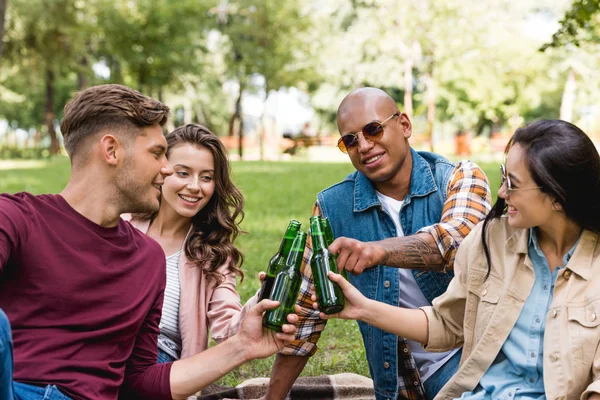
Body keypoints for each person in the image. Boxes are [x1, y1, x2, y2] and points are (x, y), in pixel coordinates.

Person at [0, 84, 298, 400]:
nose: (165, 168)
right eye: (157, 153)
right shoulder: (15, 218)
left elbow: (139, 383)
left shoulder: (147, 259)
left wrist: (243, 345)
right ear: (111, 150)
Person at [317, 119, 600, 399]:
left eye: (513, 184)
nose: (501, 192)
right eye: (503, 177)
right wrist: (364, 308)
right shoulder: (490, 240)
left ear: (557, 197)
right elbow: (447, 323)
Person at [265, 87, 492, 400]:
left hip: (476, 361)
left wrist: (378, 251)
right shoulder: (332, 209)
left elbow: (457, 242)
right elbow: (305, 317)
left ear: (405, 125)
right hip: (403, 386)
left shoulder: (458, 178)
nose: (365, 146)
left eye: (373, 129)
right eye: (350, 140)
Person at [124, 123, 253, 364]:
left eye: (206, 177)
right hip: (105, 346)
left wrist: (257, 307)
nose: (195, 187)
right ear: (162, 170)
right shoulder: (123, 223)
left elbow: (228, 326)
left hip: (158, 362)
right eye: (182, 173)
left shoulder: (212, 253)